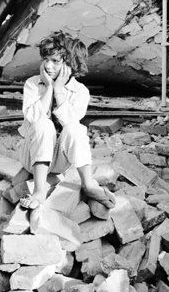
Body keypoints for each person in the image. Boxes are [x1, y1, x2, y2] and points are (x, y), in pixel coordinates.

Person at [16, 31, 115, 210]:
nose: (48, 66)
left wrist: (59, 89)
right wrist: (48, 89)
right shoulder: (32, 83)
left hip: (62, 160)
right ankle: (39, 191)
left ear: (70, 65)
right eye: (46, 59)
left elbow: (70, 123)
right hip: (32, 155)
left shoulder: (80, 91)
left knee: (76, 129)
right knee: (43, 124)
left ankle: (89, 184)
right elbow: (34, 119)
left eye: (55, 61)